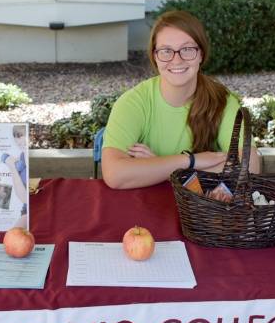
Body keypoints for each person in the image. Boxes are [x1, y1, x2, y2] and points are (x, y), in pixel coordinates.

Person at [101, 10, 242, 189]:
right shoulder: (133, 102)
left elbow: (249, 166)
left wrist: (158, 167)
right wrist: (192, 161)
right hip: (145, 209)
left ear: (201, 54)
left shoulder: (222, 100)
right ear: (154, 56)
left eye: (187, 49)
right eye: (166, 51)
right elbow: (115, 174)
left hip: (203, 213)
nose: (176, 60)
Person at [1, 125, 28, 228]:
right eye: (17, 137)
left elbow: (25, 198)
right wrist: (7, 159)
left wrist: (12, 167)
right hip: (27, 208)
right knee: (15, 234)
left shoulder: (26, 158)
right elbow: (25, 200)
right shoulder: (21, 157)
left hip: (33, 202)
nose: (20, 140)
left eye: (22, 136)